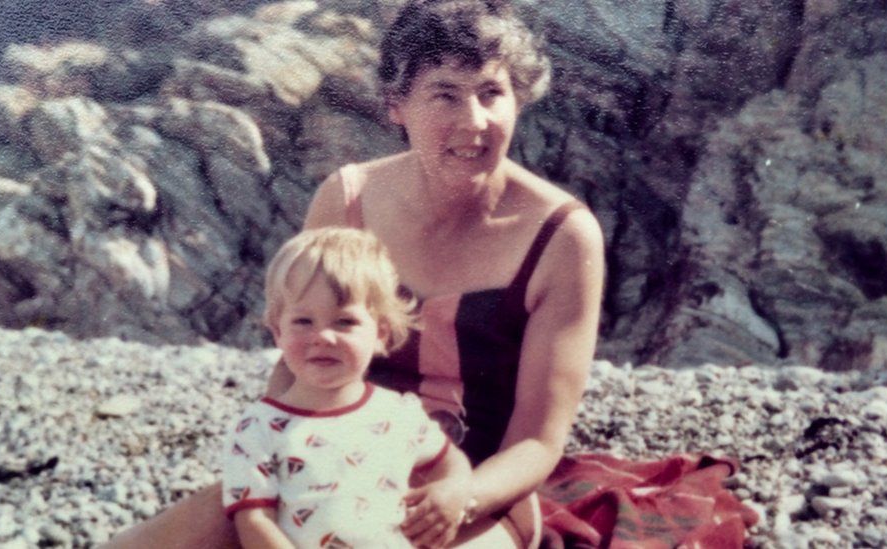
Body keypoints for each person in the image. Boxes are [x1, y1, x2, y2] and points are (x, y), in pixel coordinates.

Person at [105, 0, 604, 547]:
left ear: (518, 99)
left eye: (492, 93)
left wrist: (462, 497)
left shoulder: (561, 236)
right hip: (327, 458)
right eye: (445, 95)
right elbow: (297, 362)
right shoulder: (348, 201)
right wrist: (264, 470)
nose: (474, 121)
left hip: (475, 488)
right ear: (396, 106)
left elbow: (537, 441)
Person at [222, 228, 472, 549]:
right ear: (277, 332)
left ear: (381, 334)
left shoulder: (397, 413)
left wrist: (453, 490)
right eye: (303, 321)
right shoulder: (257, 426)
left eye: (344, 322)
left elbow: (449, 461)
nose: (323, 337)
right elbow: (254, 521)